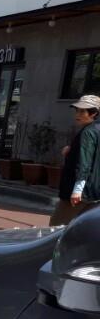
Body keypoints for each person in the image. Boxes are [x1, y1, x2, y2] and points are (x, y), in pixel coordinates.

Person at [51, 94, 100, 226]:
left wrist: (77, 190)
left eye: (82, 111)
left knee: (56, 227)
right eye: (77, 110)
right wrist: (72, 149)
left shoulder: (87, 132)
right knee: (84, 229)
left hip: (80, 193)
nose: (77, 114)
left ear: (94, 113)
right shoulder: (96, 130)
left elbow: (85, 162)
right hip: (95, 191)